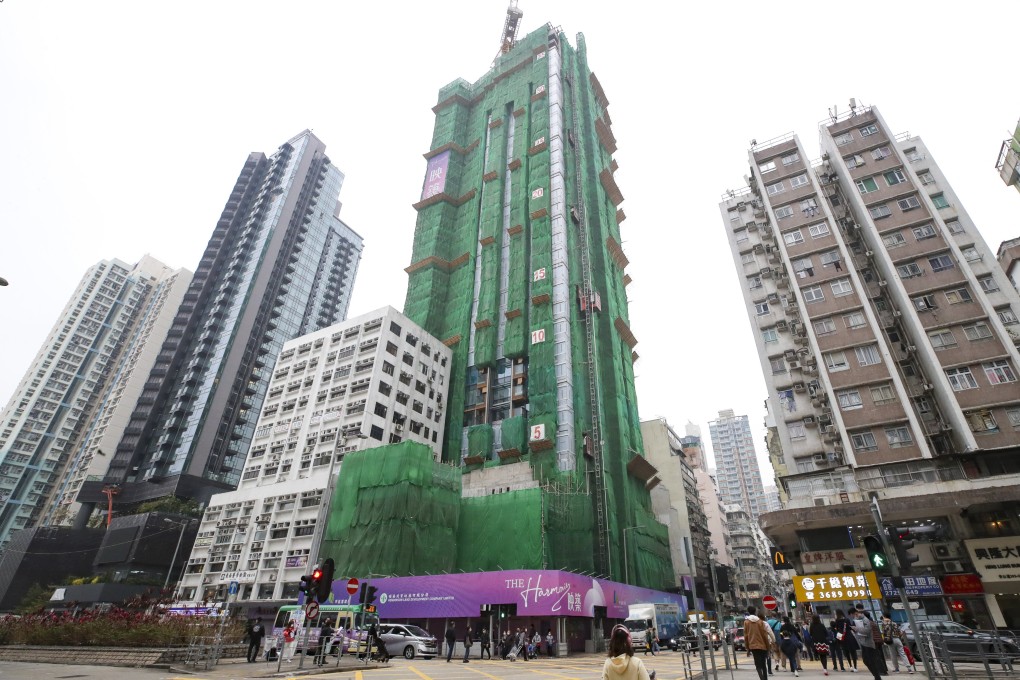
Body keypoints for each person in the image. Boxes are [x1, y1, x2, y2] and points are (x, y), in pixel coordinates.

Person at [850, 608, 883, 680]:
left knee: (871, 661)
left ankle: (877, 677)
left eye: (853, 615)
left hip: (868, 644)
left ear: (855, 613)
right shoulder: (859, 620)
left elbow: (866, 631)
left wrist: (856, 629)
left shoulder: (865, 620)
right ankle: (876, 676)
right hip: (863, 643)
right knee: (866, 661)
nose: (853, 617)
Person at [745, 606, 773, 680]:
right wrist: (768, 647)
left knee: (757, 665)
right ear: (755, 612)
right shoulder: (760, 622)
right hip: (762, 645)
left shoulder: (746, 622)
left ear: (748, 611)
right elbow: (764, 635)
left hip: (753, 646)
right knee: (763, 664)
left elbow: (746, 636)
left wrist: (747, 648)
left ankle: (762, 678)